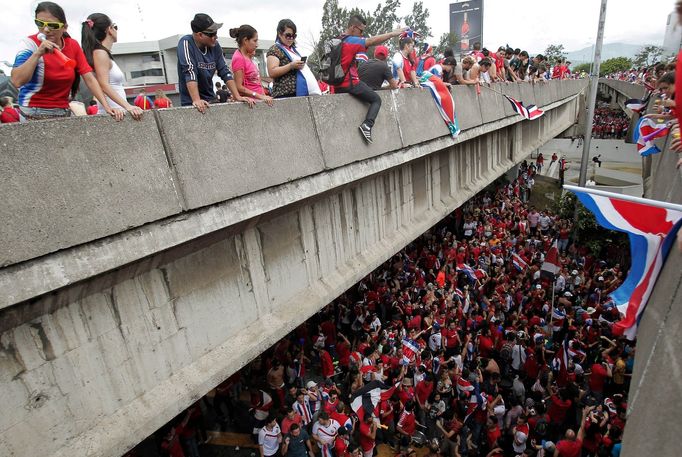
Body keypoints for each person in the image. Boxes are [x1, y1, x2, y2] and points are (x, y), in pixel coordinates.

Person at [11, 1, 123, 121]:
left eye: (53, 25)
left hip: (62, 110)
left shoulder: (72, 45)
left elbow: (89, 79)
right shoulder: (29, 44)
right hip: (33, 111)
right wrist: (37, 54)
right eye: (40, 24)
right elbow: (17, 81)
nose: (46, 29)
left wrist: (107, 107)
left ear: (64, 27)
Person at [329, 15, 406, 143]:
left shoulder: (337, 39)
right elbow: (371, 41)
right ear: (353, 28)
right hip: (350, 82)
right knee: (376, 99)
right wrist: (393, 34)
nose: (362, 34)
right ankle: (367, 125)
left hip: (337, 84)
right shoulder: (351, 40)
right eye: (361, 31)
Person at [176, 13, 254, 112]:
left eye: (216, 33)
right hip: (191, 100)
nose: (215, 37)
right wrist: (196, 100)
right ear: (200, 35)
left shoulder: (215, 46)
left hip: (210, 97)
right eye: (212, 34)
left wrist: (237, 95)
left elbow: (225, 71)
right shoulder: (186, 43)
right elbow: (190, 72)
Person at [81, 13, 143, 119]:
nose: (116, 30)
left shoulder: (101, 53)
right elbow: (104, 84)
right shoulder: (100, 53)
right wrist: (128, 106)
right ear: (109, 30)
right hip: (115, 113)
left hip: (117, 112)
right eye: (115, 27)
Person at [266, 19, 321, 98]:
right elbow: (272, 72)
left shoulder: (293, 50)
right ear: (279, 34)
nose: (291, 38)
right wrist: (291, 66)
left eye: (294, 36)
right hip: (284, 94)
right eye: (288, 35)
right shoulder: (275, 49)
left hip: (298, 94)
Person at [230, 25, 273, 105]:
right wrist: (259, 96)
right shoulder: (239, 58)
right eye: (255, 41)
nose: (257, 45)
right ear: (245, 40)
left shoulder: (247, 57)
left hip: (258, 101)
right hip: (250, 104)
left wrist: (263, 95)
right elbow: (238, 86)